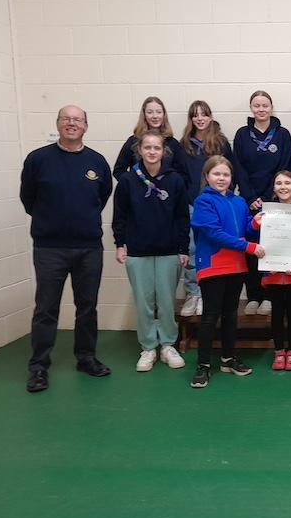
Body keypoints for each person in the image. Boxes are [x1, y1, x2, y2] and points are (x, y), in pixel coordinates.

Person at [20, 105, 113, 393]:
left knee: (87, 307)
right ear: (58, 124)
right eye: (66, 119)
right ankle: (38, 367)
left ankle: (86, 358)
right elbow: (28, 199)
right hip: (50, 248)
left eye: (77, 120)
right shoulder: (38, 159)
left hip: (88, 248)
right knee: (46, 309)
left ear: (86, 126)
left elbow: (102, 195)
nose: (71, 124)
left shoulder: (97, 162)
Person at [112, 131, 190, 372]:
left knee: (166, 302)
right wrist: (120, 243)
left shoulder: (174, 179)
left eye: (156, 147)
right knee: (144, 302)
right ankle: (148, 347)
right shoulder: (127, 180)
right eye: (148, 147)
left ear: (163, 151)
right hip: (137, 251)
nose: (152, 152)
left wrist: (183, 248)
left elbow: (182, 217)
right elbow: (120, 215)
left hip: (168, 251)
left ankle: (167, 345)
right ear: (140, 150)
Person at [189, 156, 265, 388]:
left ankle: (228, 358)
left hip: (236, 266)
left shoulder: (240, 202)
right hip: (213, 266)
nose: (221, 178)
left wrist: (255, 224)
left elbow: (244, 230)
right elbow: (214, 233)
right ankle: (203, 365)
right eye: (216, 174)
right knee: (210, 316)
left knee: (231, 314)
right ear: (207, 176)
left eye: (226, 175)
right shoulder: (203, 202)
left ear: (231, 178)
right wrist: (249, 247)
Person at [233, 91, 291, 316]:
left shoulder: (282, 134)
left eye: (265, 105)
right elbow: (238, 167)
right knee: (251, 248)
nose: (261, 109)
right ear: (251, 108)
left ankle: (268, 295)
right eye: (256, 105)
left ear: (271, 107)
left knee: (271, 247)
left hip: (275, 200)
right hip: (249, 202)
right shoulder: (242, 135)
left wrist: (269, 197)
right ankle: (254, 295)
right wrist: (250, 197)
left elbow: (285, 166)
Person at [179, 100, 237, 317]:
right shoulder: (184, 144)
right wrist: (188, 197)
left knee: (212, 248)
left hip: (216, 204)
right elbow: (179, 175)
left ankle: (206, 294)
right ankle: (192, 293)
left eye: (204, 114)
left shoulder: (221, 142)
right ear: (191, 118)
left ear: (210, 117)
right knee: (193, 250)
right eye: (195, 115)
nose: (200, 118)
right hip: (193, 203)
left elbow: (231, 171)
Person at [262, 171, 291, 371]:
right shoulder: (267, 212)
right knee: (277, 314)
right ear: (273, 188)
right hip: (272, 274)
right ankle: (279, 351)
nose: (283, 186)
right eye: (278, 183)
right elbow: (255, 236)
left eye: (287, 183)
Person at [113, 96, 189, 187]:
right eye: (150, 112)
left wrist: (170, 187)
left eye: (159, 112)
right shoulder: (133, 142)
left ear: (163, 115)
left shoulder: (173, 143)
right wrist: (132, 185)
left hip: (165, 196)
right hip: (138, 197)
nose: (155, 116)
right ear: (144, 115)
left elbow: (183, 175)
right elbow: (119, 170)